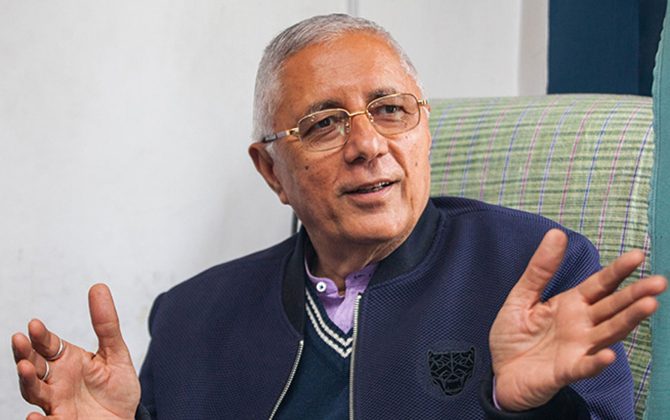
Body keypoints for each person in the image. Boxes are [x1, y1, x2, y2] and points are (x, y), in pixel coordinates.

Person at [11, 14, 667, 420]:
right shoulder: (189, 319)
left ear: (425, 131)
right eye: (324, 124)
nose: (367, 145)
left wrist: (520, 409)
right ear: (272, 171)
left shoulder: (535, 268)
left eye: (390, 110)